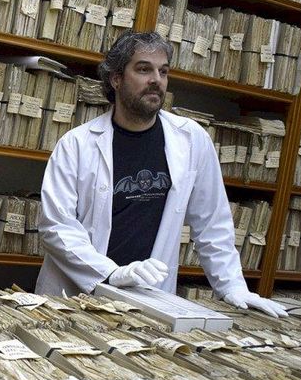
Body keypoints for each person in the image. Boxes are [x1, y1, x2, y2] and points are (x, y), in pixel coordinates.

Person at [35, 30, 287, 318]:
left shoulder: (191, 139)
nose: (156, 79)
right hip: (77, 298)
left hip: (150, 301)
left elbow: (212, 224)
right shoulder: (76, 145)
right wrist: (111, 274)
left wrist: (233, 288)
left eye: (163, 71)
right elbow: (56, 227)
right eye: (144, 69)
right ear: (116, 79)